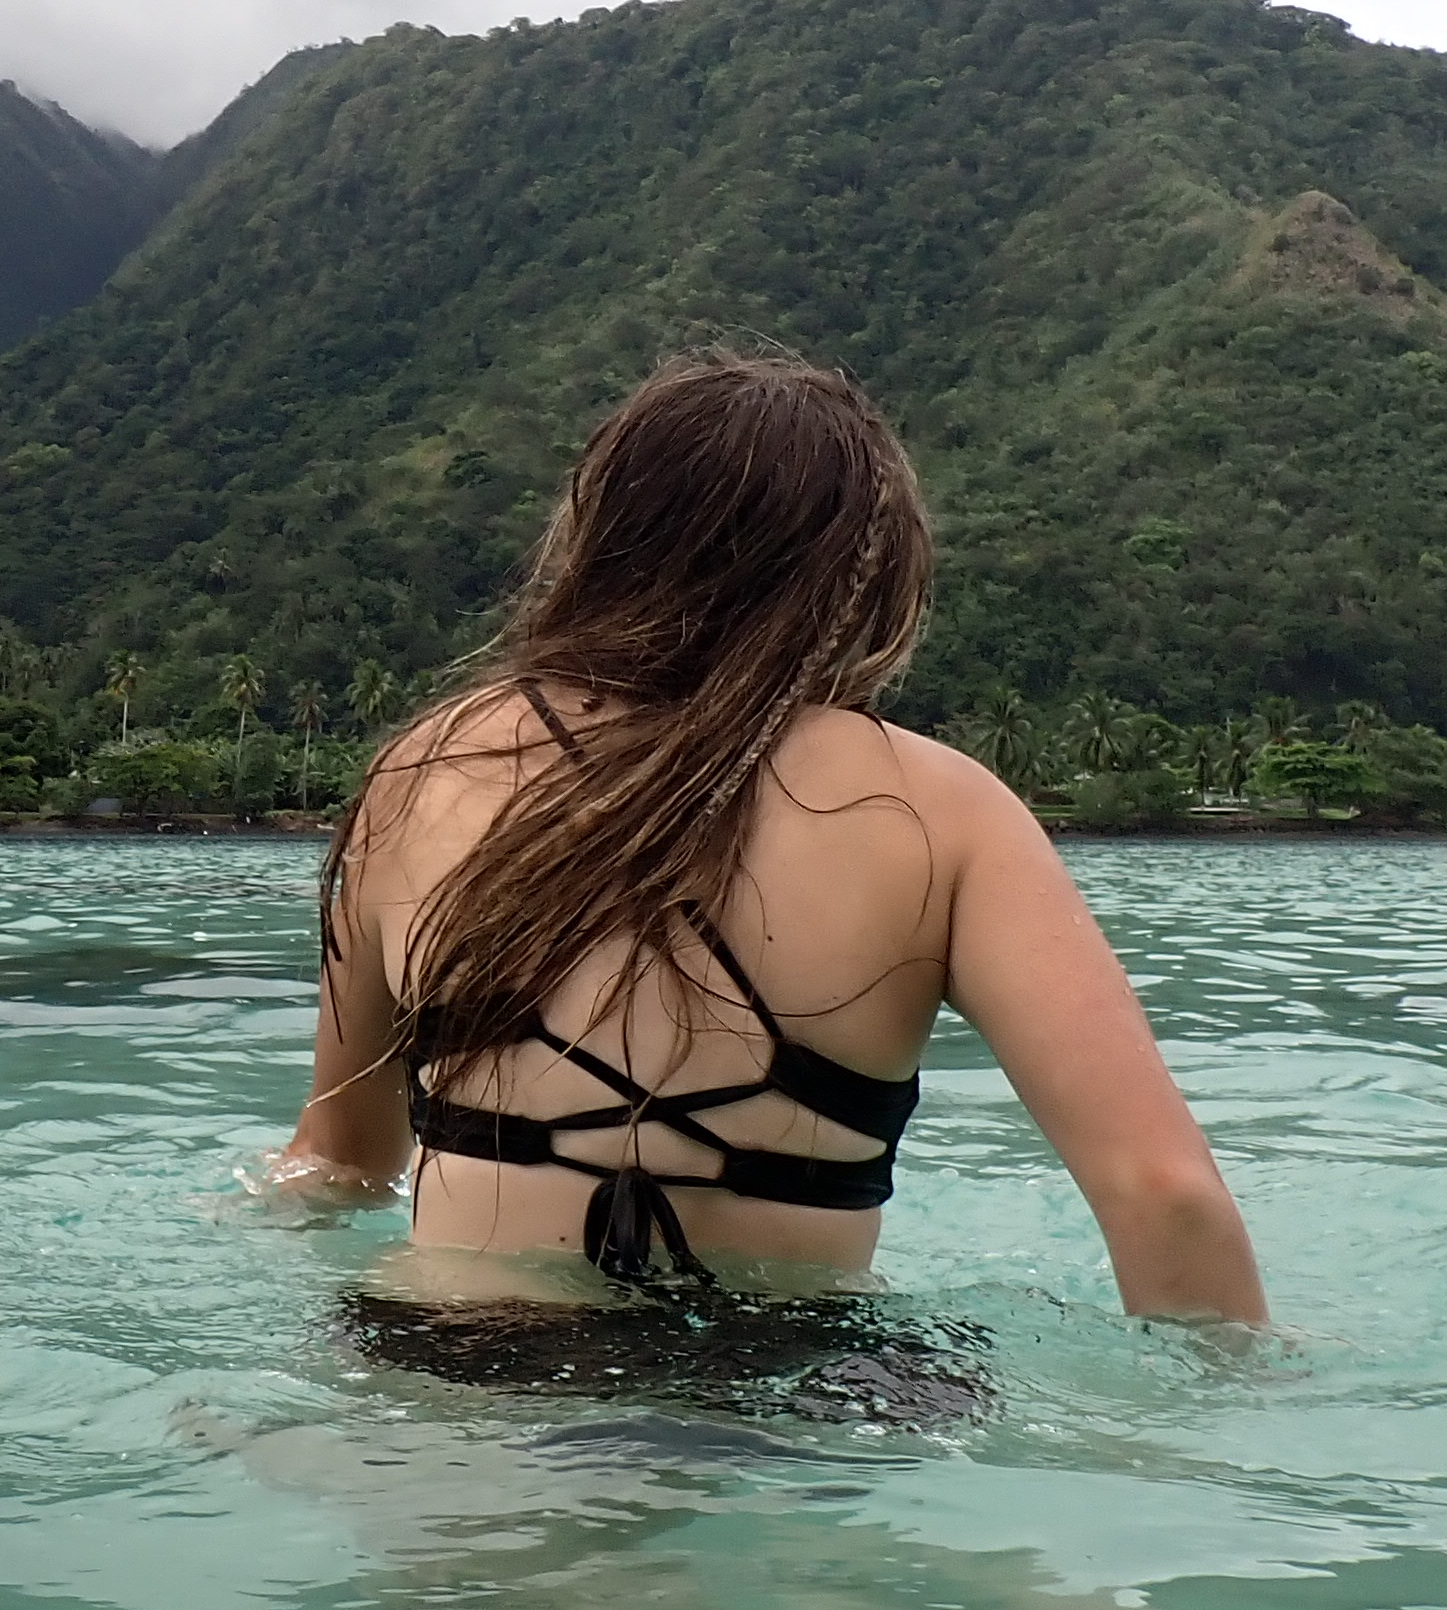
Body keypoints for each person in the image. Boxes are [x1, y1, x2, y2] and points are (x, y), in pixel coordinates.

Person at [264, 346, 1265, 1331]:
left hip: (446, 1379)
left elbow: (341, 1158)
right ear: (867, 570)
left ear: (599, 538)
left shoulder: (427, 770)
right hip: (786, 1410)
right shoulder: (939, 809)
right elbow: (1163, 1195)